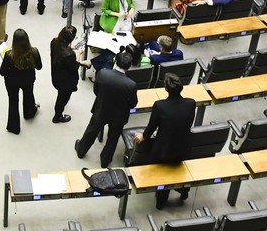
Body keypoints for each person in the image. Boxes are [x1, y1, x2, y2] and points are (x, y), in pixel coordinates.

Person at [132, 73, 196, 209]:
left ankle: (161, 200)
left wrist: (142, 136)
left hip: (163, 151)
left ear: (166, 89)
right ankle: (183, 190)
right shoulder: (191, 103)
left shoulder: (160, 106)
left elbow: (150, 128)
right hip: (184, 148)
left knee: (156, 166)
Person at [75, 50, 138, 167]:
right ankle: (105, 160)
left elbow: (96, 91)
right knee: (113, 139)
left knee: (91, 131)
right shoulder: (131, 84)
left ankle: (81, 150)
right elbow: (133, 104)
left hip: (101, 109)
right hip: (119, 115)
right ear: (129, 66)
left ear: (116, 62)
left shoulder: (103, 73)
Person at [0, 28, 42, 134]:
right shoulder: (34, 51)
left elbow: (2, 72)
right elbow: (39, 67)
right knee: (28, 95)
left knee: (13, 102)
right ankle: (29, 113)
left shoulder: (9, 55)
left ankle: (13, 127)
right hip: (28, 80)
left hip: (12, 82)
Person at [50, 26, 84, 123]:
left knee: (61, 95)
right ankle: (58, 116)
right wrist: (79, 54)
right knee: (62, 99)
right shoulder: (69, 54)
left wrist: (69, 47)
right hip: (65, 82)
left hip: (56, 75)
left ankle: (58, 110)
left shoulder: (54, 42)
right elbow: (74, 67)